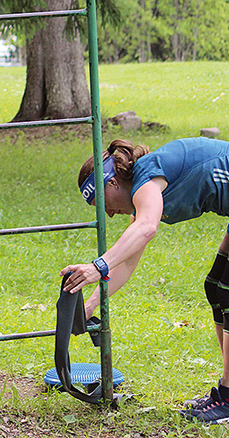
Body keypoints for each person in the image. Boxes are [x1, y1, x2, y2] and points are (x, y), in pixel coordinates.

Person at [61, 137, 229, 423]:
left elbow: (147, 228)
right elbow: (126, 263)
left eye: (101, 202)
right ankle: (226, 392)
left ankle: (228, 398)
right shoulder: (141, 197)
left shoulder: (148, 175)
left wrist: (97, 266)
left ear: (113, 183)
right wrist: (89, 305)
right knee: (216, 288)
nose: (109, 212)